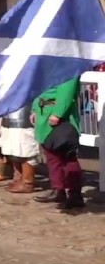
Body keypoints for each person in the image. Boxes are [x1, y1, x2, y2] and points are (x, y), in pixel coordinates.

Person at [33, 77, 85, 212]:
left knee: (68, 157)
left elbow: (66, 92)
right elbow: (40, 88)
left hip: (60, 116)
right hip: (44, 113)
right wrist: (34, 108)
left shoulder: (69, 68)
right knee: (51, 155)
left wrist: (58, 113)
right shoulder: (51, 65)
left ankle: (75, 195)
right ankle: (58, 190)